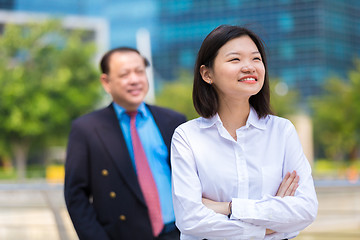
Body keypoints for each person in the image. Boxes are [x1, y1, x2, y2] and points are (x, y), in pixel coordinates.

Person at [171, 25, 318, 240]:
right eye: (235, 59)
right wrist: (265, 226)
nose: (249, 67)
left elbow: (305, 209)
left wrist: (229, 208)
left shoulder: (282, 131)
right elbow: (189, 219)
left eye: (256, 59)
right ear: (207, 73)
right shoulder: (187, 136)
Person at [64, 47, 187, 240]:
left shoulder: (173, 121)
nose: (134, 79)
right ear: (106, 82)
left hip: (178, 233)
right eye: (124, 74)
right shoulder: (87, 129)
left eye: (139, 71)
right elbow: (76, 196)